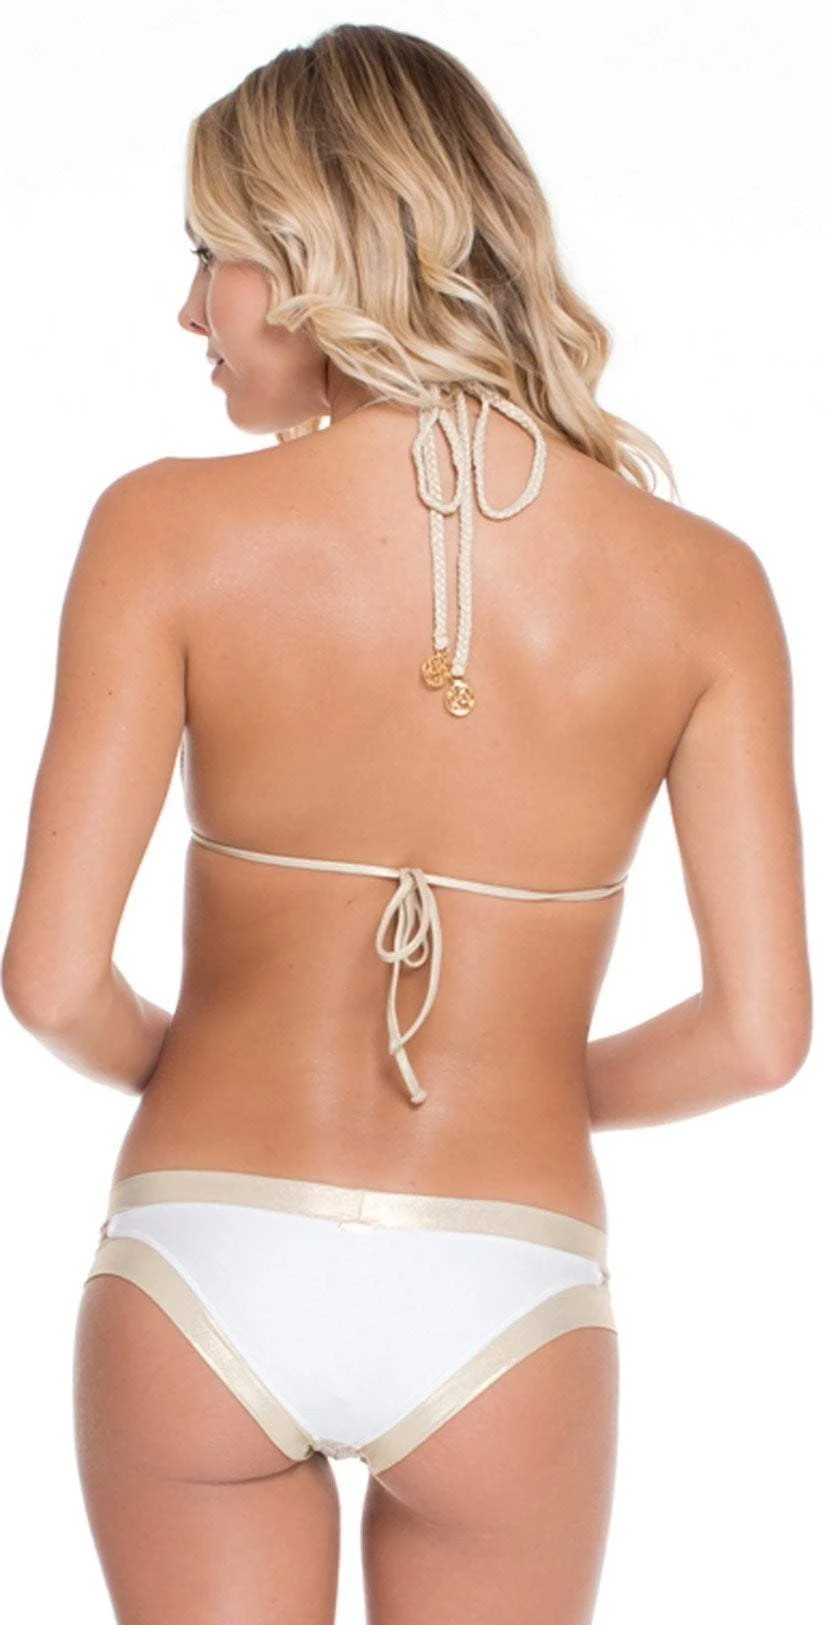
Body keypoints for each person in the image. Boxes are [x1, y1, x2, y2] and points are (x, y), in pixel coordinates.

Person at [1, 22, 811, 1625]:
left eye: (213, 257)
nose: (190, 313)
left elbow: (49, 981)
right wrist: (529, 1080)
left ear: (317, 253)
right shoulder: (707, 587)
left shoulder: (163, 530)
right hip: (512, 1288)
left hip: (201, 1254)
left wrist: (181, 1058)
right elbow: (762, 1036)